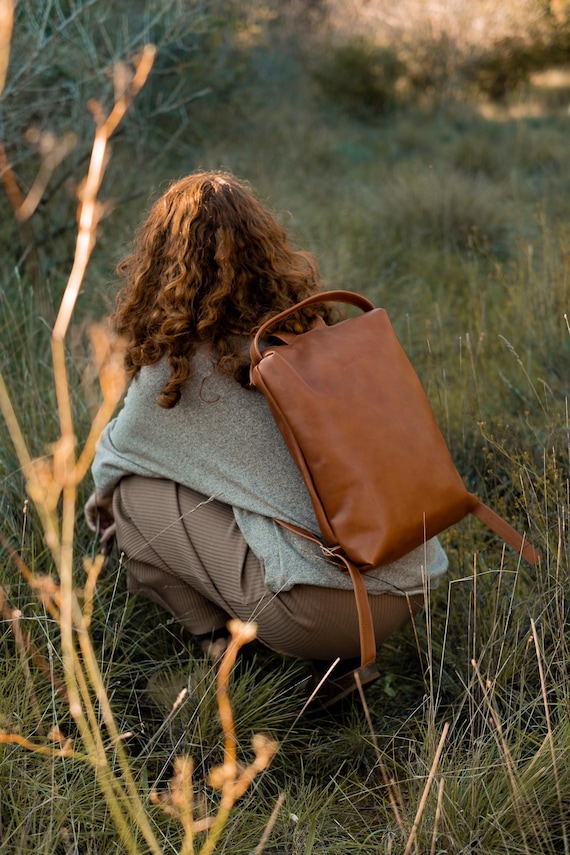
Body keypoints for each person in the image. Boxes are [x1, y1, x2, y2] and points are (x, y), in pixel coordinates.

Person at [85, 170, 448, 707]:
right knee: (248, 493)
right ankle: (338, 672)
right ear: (264, 245)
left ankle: (233, 663)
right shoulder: (312, 331)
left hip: (319, 612)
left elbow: (110, 465)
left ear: (160, 260)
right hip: (411, 580)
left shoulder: (178, 370)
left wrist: (112, 531)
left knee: (130, 498)